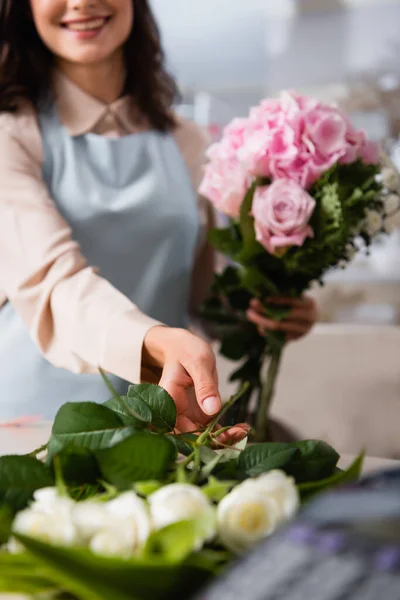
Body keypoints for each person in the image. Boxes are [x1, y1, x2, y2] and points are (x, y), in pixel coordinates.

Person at [0, 0, 317, 436]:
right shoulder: (10, 135)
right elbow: (54, 283)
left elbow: (204, 299)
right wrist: (156, 341)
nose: (81, 2)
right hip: (32, 423)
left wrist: (266, 311)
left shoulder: (186, 141)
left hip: (163, 424)